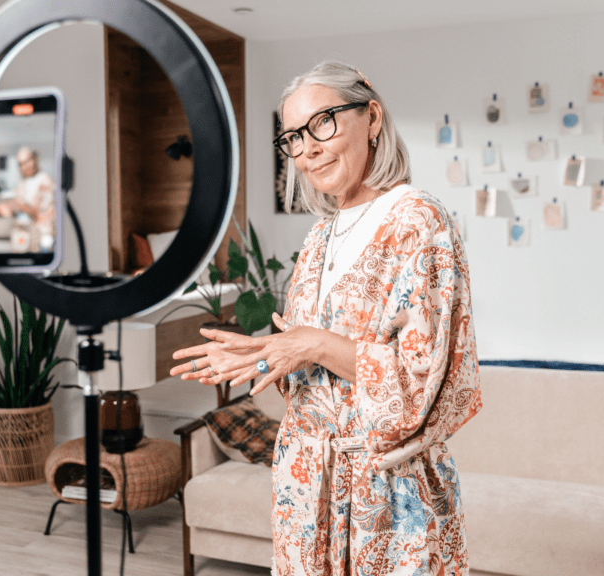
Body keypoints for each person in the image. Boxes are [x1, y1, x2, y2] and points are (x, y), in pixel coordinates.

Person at [170, 61, 481, 575]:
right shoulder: (320, 237)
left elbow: (427, 380)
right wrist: (261, 355)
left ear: (372, 118)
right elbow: (307, 366)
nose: (307, 148)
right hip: (305, 485)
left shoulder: (418, 221)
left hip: (388, 497)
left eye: (323, 122)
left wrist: (312, 345)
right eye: (293, 136)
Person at [0, 146, 56, 252]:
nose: (25, 167)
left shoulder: (45, 182)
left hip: (41, 237)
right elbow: (18, 203)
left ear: (35, 159)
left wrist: (19, 206)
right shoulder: (22, 184)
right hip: (23, 235)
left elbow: (39, 214)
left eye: (27, 161)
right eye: (21, 164)